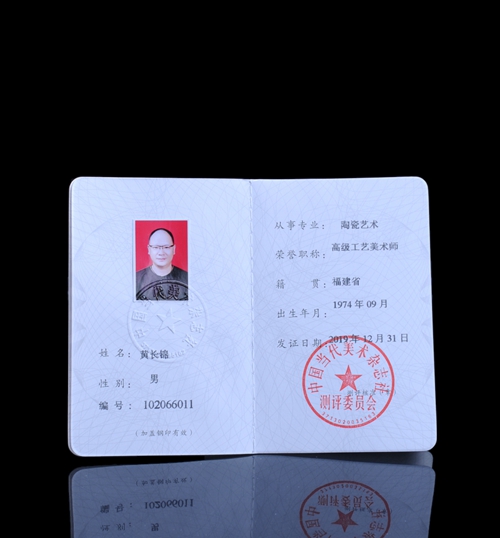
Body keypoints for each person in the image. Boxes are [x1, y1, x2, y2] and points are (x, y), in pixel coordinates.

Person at [136, 228, 188, 300]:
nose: (161, 253)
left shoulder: (187, 278)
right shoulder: (135, 279)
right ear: (149, 249)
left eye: (166, 247)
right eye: (156, 247)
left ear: (174, 249)